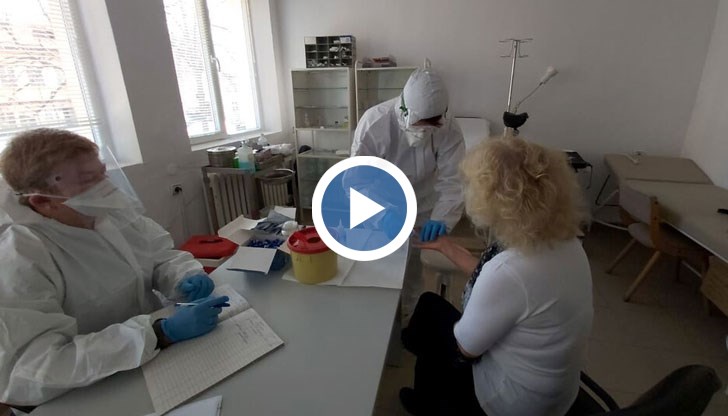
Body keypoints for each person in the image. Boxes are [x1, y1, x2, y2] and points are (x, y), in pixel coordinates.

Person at [0, 129, 229, 408]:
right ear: (43, 201)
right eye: (88, 180)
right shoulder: (20, 258)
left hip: (156, 362)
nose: (105, 187)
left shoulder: (107, 213)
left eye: (102, 173)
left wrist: (184, 276)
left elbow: (160, 255)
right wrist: (158, 333)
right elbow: (36, 368)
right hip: (88, 395)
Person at [400, 136, 593, 416]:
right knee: (430, 308)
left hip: (511, 402)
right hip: (556, 392)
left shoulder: (510, 270)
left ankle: (429, 403)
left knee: (430, 327)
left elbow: (466, 349)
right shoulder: (567, 243)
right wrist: (448, 247)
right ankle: (419, 364)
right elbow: (501, 285)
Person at [351, 64, 465, 241]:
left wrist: (442, 218)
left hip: (425, 212)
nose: (424, 132)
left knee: (417, 256)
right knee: (383, 257)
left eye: (431, 126)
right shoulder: (374, 124)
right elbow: (357, 182)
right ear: (404, 112)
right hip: (381, 211)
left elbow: (454, 181)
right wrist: (382, 215)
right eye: (419, 125)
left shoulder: (449, 128)